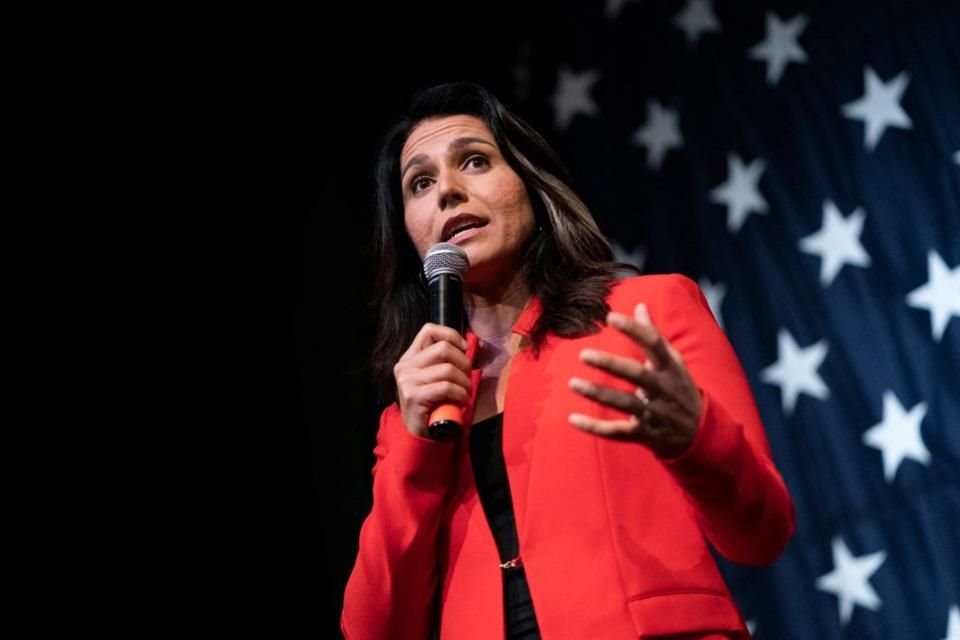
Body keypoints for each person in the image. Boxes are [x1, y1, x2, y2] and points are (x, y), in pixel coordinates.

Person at [341, 81, 795, 640]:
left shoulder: (646, 313)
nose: (448, 192)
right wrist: (414, 447)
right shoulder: (408, 417)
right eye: (421, 182)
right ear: (410, 234)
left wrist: (695, 437)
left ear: (530, 185)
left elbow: (763, 534)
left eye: (475, 161)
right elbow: (372, 630)